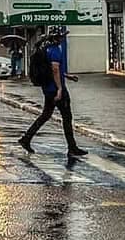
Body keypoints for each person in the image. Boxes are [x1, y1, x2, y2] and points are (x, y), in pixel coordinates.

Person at [18, 29, 87, 157]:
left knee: (45, 115)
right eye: (61, 37)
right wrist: (60, 89)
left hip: (47, 89)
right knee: (67, 117)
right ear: (57, 38)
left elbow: (52, 69)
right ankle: (72, 147)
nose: (63, 39)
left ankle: (26, 138)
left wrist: (66, 75)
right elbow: (55, 69)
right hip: (56, 90)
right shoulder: (55, 50)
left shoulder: (45, 49)